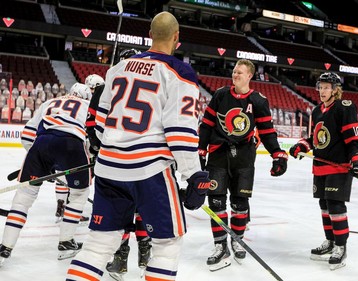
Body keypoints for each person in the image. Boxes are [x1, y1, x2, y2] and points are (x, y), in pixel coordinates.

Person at [65, 11, 210, 281]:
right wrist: (194, 176)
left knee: (98, 245)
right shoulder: (180, 72)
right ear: (177, 38)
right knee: (167, 245)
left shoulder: (117, 69)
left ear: (150, 35)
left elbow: (99, 124)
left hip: (108, 169)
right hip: (150, 171)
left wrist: (110, 151)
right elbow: (181, 133)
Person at [198, 58, 288, 271]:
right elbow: (207, 125)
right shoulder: (220, 95)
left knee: (240, 205)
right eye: (234, 71)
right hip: (218, 155)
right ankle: (220, 245)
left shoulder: (258, 100)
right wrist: (201, 150)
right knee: (217, 203)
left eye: (240, 72)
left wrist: (278, 154)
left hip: (244, 157)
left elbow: (267, 131)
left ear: (250, 76)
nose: (235, 75)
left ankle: (237, 240)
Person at [0, 82, 93, 265]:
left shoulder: (51, 102)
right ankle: (65, 243)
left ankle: (5, 248)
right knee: (79, 194)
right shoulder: (88, 106)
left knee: (24, 196)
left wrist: (42, 163)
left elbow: (27, 135)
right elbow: (91, 139)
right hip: (71, 145)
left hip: (41, 145)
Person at [83, 49, 152, 280]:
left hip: (113, 158)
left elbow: (91, 121)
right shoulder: (151, 83)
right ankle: (145, 254)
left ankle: (121, 258)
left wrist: (95, 147)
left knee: (120, 209)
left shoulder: (105, 87)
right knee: (140, 207)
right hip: (143, 157)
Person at [289, 72, 358, 271]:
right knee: (324, 205)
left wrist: (356, 159)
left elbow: (354, 139)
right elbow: (316, 139)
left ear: (335, 89)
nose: (322, 91)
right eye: (320, 87)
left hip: (338, 166)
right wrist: (301, 146)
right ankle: (330, 241)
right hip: (321, 167)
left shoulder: (344, 107)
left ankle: (341, 246)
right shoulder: (316, 111)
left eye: (326, 87)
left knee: (335, 205)